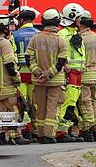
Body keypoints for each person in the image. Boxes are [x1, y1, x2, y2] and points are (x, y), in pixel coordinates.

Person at [27, 8, 68, 144]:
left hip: (38, 81)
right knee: (52, 109)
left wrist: (38, 73)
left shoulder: (35, 38)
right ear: (57, 22)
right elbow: (61, 61)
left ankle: (40, 135)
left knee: (40, 109)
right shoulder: (60, 41)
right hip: (54, 81)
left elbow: (28, 58)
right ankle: (49, 136)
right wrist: (48, 74)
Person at [0, 14, 29, 145]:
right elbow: (10, 64)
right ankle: (16, 135)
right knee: (13, 109)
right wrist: (16, 78)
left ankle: (2, 134)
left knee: (1, 110)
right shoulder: (5, 43)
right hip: (7, 84)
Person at [56, 2, 86, 142]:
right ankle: (61, 132)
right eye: (79, 18)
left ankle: (65, 131)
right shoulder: (61, 34)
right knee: (67, 104)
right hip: (69, 75)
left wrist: (83, 64)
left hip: (77, 74)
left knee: (71, 104)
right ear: (73, 18)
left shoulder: (75, 33)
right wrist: (65, 65)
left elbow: (79, 53)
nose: (81, 21)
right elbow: (58, 53)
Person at [12, 6, 40, 140]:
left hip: (21, 72)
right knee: (35, 102)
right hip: (35, 72)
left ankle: (25, 129)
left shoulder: (14, 35)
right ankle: (36, 129)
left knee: (22, 102)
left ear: (22, 20)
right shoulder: (39, 34)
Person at [77, 10, 96, 141]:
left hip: (84, 73)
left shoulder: (80, 38)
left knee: (85, 103)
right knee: (94, 103)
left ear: (81, 23)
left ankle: (88, 130)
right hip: (93, 73)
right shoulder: (95, 37)